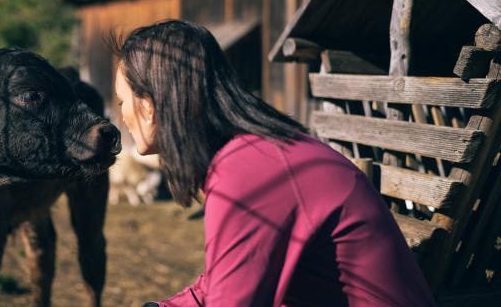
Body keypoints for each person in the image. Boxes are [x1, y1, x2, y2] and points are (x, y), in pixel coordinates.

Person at [111, 20, 436, 306]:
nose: (122, 115)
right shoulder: (254, 155)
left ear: (149, 105)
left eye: (122, 101)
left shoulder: (249, 172)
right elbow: (223, 280)